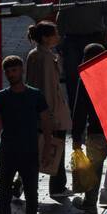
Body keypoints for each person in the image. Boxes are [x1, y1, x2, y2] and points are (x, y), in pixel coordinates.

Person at [0, 56, 50, 214]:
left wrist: (47, 147)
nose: (11, 74)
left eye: (14, 70)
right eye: (8, 71)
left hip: (30, 153)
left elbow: (46, 121)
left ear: (21, 70)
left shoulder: (35, 95)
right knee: (4, 198)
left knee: (32, 199)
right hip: (7, 153)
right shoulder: (1, 97)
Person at [56, 0, 107, 106]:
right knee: (72, 79)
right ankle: (75, 113)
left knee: (96, 78)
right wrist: (58, 39)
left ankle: (96, 113)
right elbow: (61, 15)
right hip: (72, 41)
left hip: (94, 39)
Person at [26, 20, 72, 202]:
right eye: (54, 34)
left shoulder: (34, 54)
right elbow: (49, 88)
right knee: (57, 148)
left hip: (37, 110)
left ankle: (21, 182)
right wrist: (51, 115)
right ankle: (58, 186)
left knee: (35, 149)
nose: (58, 37)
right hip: (51, 112)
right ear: (46, 38)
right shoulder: (46, 58)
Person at [71, 42, 107, 214]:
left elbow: (79, 109)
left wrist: (76, 135)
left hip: (96, 132)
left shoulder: (86, 77)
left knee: (93, 170)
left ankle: (90, 204)